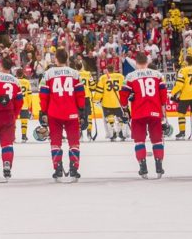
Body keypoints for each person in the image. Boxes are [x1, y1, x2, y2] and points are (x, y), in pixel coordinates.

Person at [38, 48, 86, 182]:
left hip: (54, 113)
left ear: (56, 59)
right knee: (74, 143)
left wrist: (43, 112)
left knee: (55, 143)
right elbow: (80, 94)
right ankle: (74, 168)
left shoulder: (48, 74)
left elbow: (43, 95)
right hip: (71, 113)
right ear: (67, 59)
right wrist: (82, 111)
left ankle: (58, 168)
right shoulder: (75, 74)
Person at [119, 53, 169, 178]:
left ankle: (143, 167)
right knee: (157, 140)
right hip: (155, 112)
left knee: (139, 141)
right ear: (147, 62)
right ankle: (159, 166)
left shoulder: (130, 76)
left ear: (136, 63)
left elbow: (123, 96)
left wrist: (125, 108)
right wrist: (163, 114)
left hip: (138, 113)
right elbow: (163, 96)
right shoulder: (157, 75)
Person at [170, 57, 192, 140]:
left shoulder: (183, 70)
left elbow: (179, 84)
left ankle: (182, 132)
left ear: (186, 62)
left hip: (185, 96)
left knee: (181, 114)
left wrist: (172, 93)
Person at [97, 59, 127, 141]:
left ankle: (113, 131)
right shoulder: (121, 76)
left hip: (107, 102)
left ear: (107, 69)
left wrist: (96, 99)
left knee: (110, 117)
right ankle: (120, 131)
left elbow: (100, 90)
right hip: (118, 101)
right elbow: (125, 88)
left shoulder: (103, 77)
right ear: (114, 69)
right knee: (120, 117)